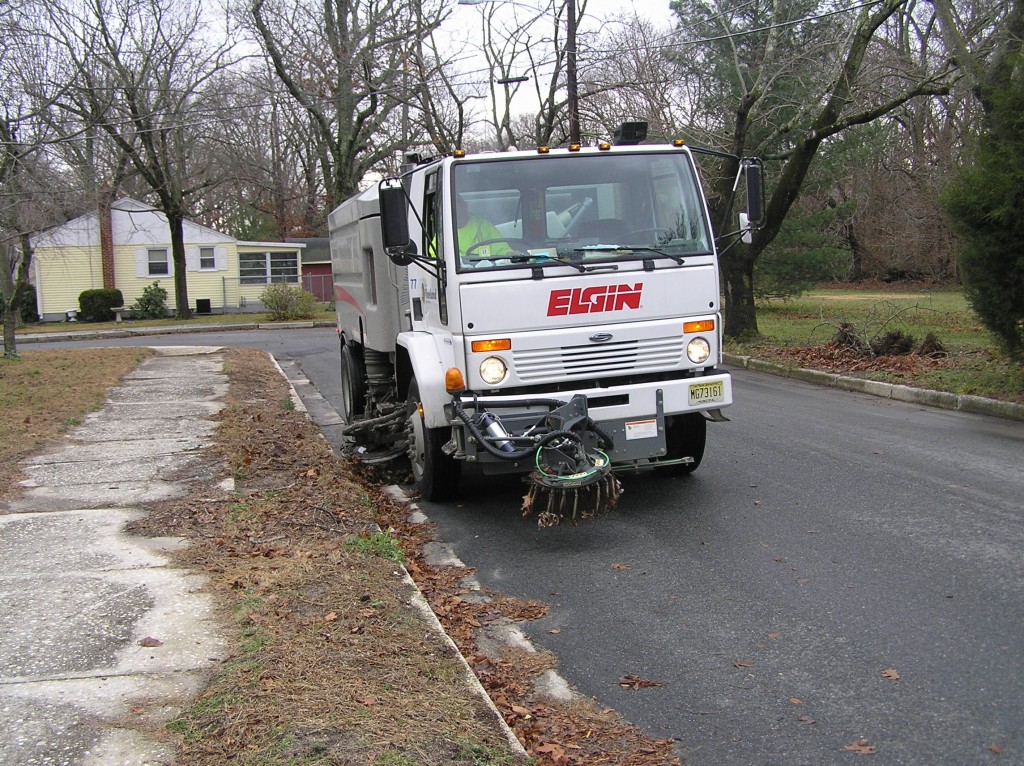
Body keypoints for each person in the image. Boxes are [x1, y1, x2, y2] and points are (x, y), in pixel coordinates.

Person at [455, 196, 511, 263]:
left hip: (485, 271)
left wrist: (510, 255)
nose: (457, 210)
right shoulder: (443, 233)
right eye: (453, 207)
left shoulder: (483, 226)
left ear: (465, 205)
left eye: (459, 205)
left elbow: (502, 250)